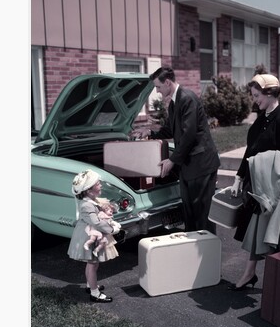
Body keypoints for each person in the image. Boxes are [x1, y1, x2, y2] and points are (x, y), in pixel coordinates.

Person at [228, 72, 280, 291]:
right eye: (253, 95)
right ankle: (250, 274)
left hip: (271, 187)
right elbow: (251, 151)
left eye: (257, 95)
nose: (255, 99)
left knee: (271, 234)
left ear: (270, 94)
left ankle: (275, 282)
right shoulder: (262, 118)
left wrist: (263, 161)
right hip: (255, 184)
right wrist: (239, 176)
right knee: (255, 228)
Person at [130, 66, 220, 233]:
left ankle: (207, 252)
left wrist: (172, 160)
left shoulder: (187, 98)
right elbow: (172, 130)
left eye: (158, 86)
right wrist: (150, 131)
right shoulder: (174, 102)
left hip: (201, 164)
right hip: (189, 165)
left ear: (168, 82)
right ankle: (193, 247)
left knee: (201, 213)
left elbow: (189, 135)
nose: (156, 91)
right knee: (189, 211)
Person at [67, 169, 120, 303]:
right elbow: (96, 222)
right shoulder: (87, 205)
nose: (100, 185)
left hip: (92, 233)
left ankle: (91, 285)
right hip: (89, 235)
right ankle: (94, 293)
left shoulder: (91, 201)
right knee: (92, 264)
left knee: (93, 264)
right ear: (89, 190)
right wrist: (112, 229)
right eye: (97, 184)